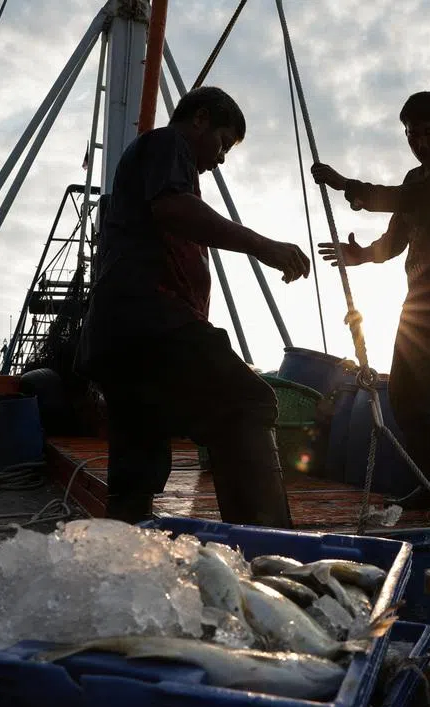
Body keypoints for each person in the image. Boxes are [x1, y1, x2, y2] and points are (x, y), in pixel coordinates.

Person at [77, 86, 311, 527]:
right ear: (200, 119)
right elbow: (174, 208)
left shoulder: (155, 163)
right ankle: (266, 548)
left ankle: (121, 558)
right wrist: (263, 247)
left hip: (118, 332)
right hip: (152, 321)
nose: (220, 158)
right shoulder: (168, 144)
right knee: (245, 401)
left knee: (137, 458)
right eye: (223, 142)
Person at [312, 91, 430, 515]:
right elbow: (395, 241)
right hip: (417, 310)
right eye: (412, 135)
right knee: (405, 399)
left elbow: (413, 202)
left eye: (428, 133)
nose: (420, 142)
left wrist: (347, 186)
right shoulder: (413, 181)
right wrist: (362, 254)